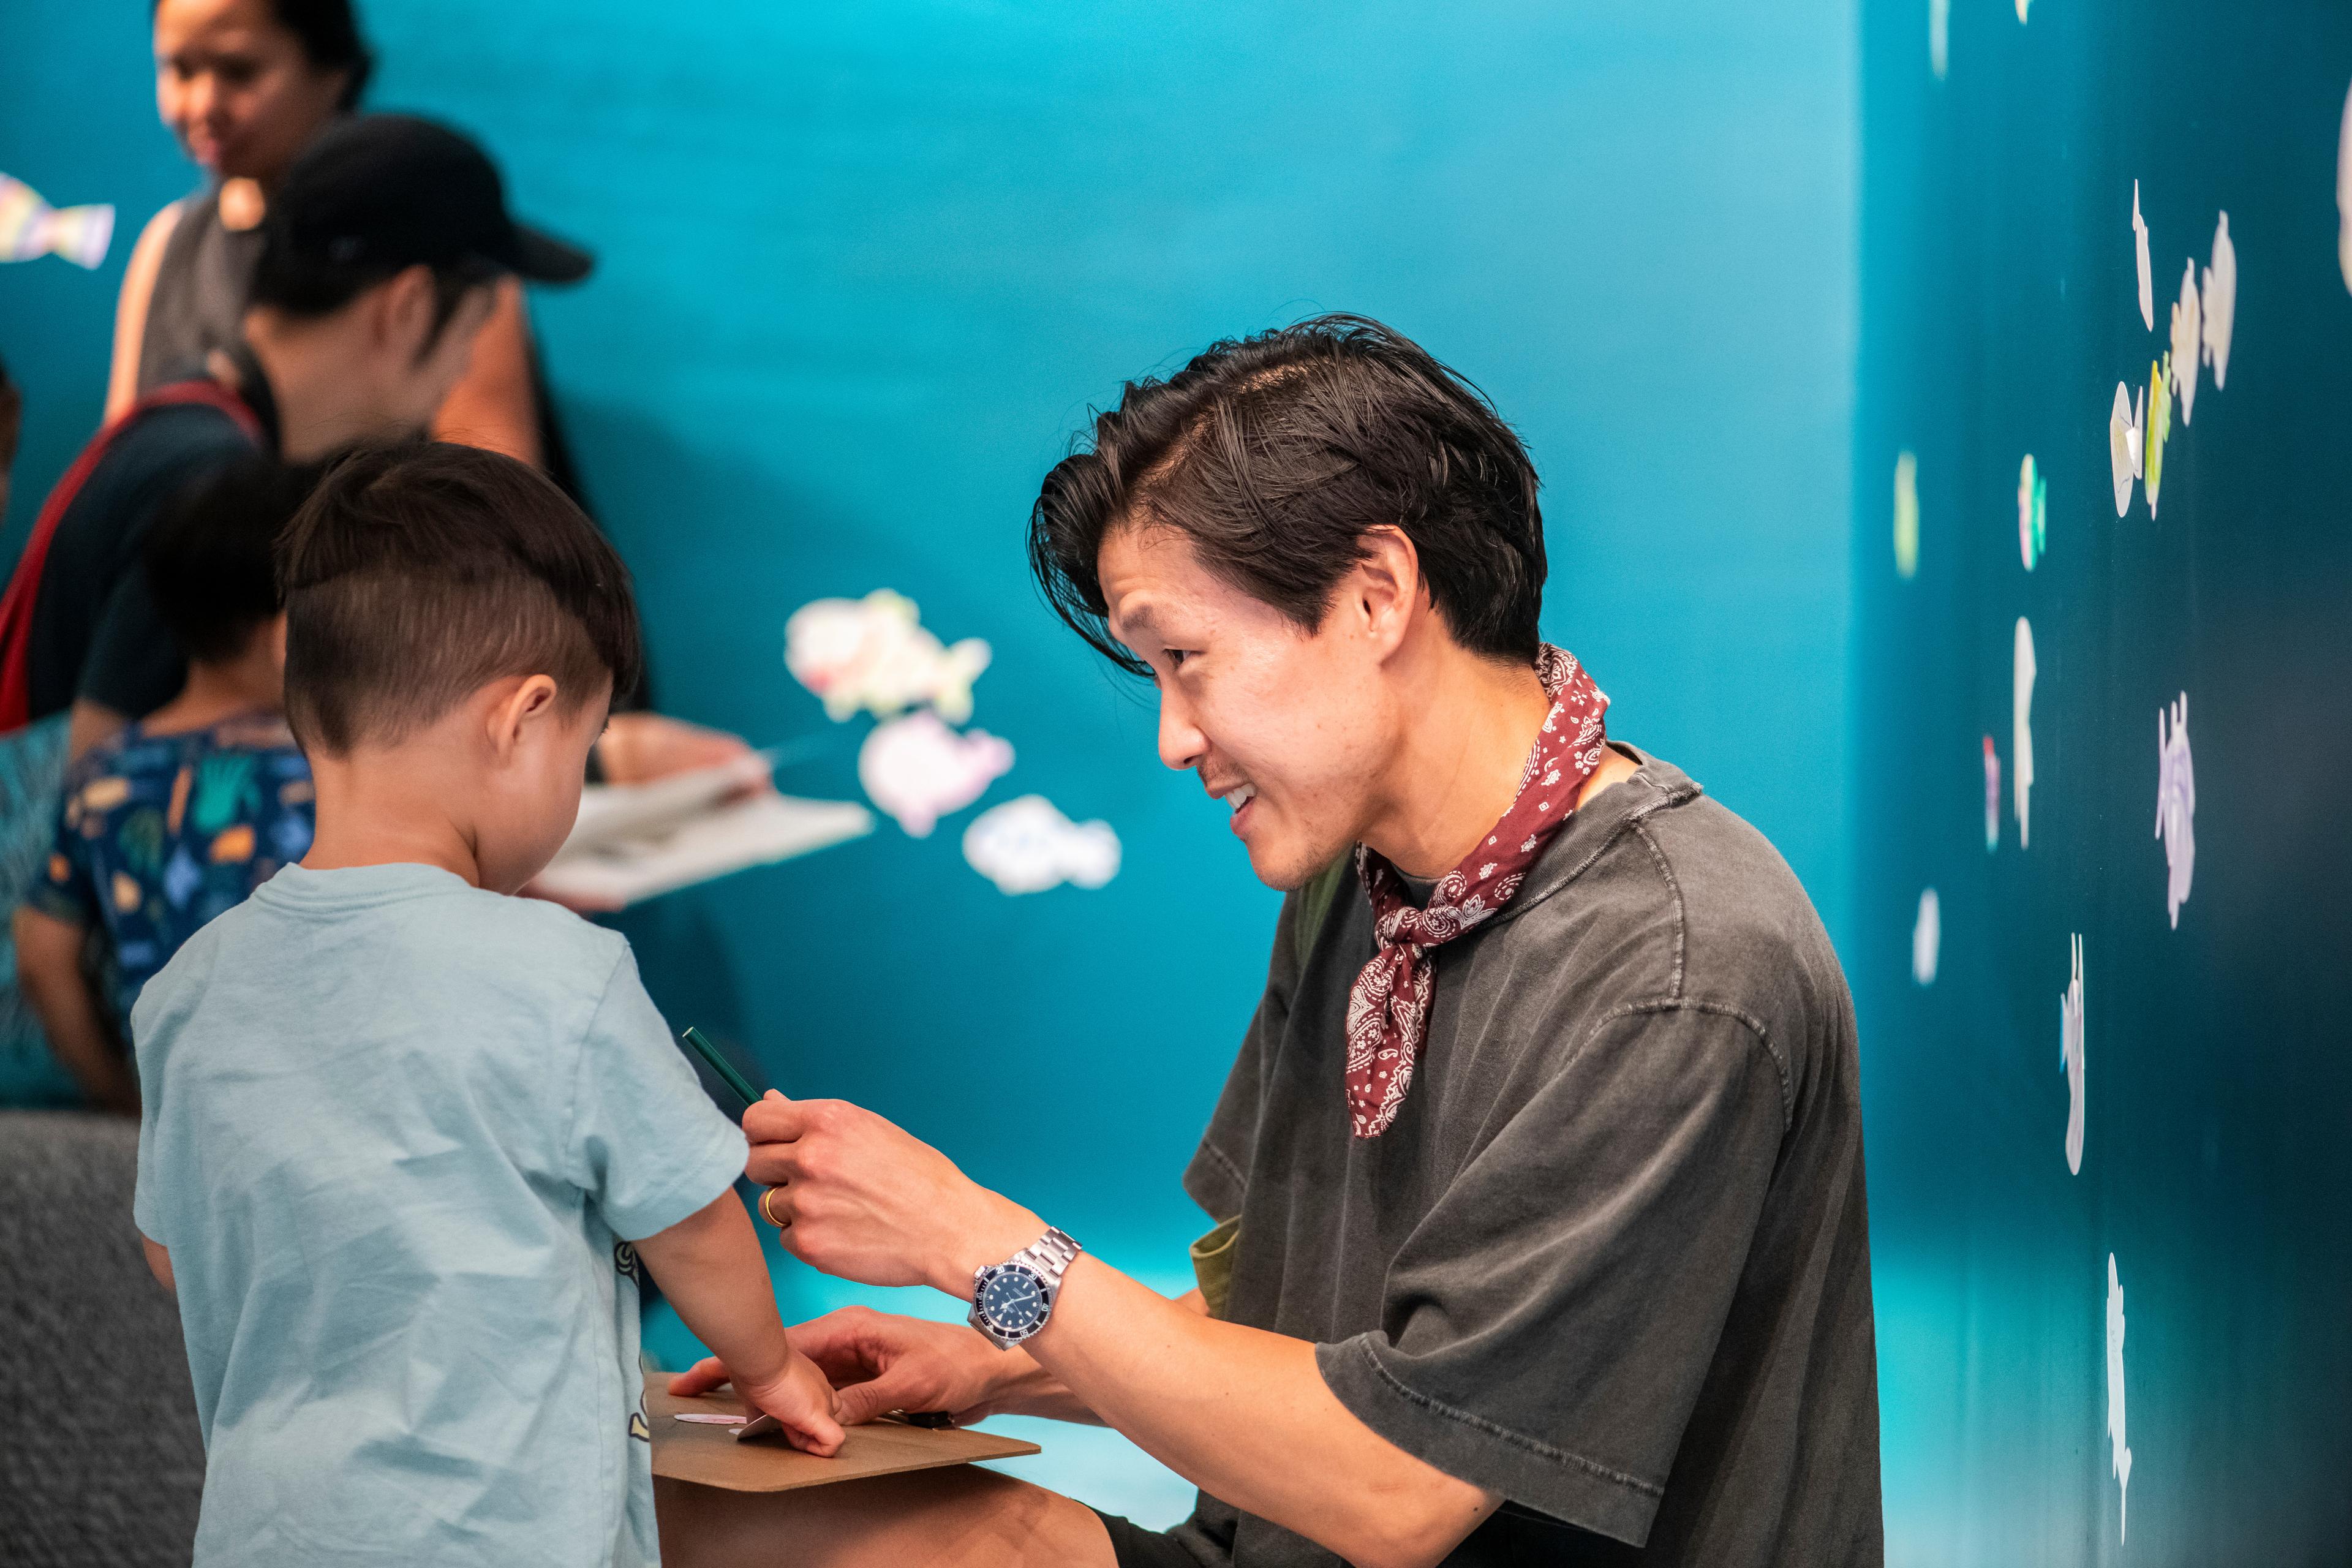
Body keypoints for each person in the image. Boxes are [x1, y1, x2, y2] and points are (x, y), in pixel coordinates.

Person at [663, 317, 1882, 1568]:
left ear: (1375, 595)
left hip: (1363, 1517)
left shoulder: (1676, 972)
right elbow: (1291, 1315)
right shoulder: (1358, 877)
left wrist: (976, 1243)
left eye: (1185, 659)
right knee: (747, 1516)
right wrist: (990, 1357)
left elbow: (1400, 1486)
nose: (1173, 739)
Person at [132, 440, 844, 1565]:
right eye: (588, 745)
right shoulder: (564, 971)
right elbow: (693, 1219)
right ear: (521, 721)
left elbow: (176, 1249)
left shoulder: (188, 992)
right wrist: (774, 1372)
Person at [0, 111, 734, 783]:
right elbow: (99, 783)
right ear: (411, 307)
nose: (469, 364)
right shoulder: (210, 483)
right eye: (477, 326)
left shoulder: (193, 424)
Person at [111, 0, 563, 473]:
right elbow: (128, 464)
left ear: (332, 69)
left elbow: (491, 513)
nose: (203, 106)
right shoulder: (170, 244)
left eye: (240, 70)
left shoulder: (441, 244)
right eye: (179, 69)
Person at [13, 456, 317, 1114]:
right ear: (287, 632)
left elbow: (41, 948)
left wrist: (123, 1101)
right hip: (306, 1116)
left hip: (172, 1119)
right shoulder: (316, 776)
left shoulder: (106, 773)